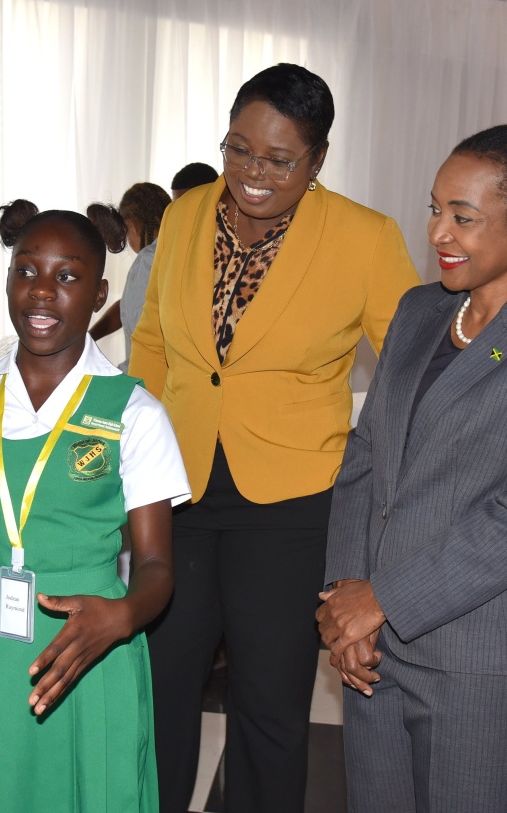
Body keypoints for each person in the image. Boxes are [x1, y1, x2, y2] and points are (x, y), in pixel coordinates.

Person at [129, 63, 420, 813]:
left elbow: (413, 369)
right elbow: (154, 343)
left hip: (290, 504)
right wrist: (135, 457)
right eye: (239, 149)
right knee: (159, 687)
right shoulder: (186, 214)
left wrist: (371, 462)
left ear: (317, 160)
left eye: (279, 159)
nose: (253, 172)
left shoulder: (365, 236)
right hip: (178, 490)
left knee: (270, 699)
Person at [316, 123, 507, 813]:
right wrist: (343, 603)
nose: (437, 233)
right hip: (374, 648)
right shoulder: (421, 311)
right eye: (434, 209)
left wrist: (381, 597)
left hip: (486, 662)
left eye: (463, 217)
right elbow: (365, 459)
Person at [0, 200, 191, 813]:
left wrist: (121, 616)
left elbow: (157, 565)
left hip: (88, 648)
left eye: (67, 277)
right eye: (26, 272)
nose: (41, 294)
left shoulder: (134, 414)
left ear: (99, 291)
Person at [89, 182, 173, 369]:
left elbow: (141, 333)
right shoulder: (176, 249)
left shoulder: (147, 260)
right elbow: (128, 306)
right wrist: (91, 336)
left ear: (132, 225)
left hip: (148, 375)